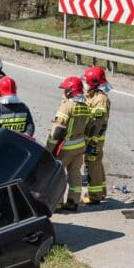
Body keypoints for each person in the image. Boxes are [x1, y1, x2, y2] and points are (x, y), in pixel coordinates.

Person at [47, 76, 91, 212]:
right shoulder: (85, 107)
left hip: (65, 148)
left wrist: (48, 149)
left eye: (65, 89)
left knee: (58, 176)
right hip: (79, 147)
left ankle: (58, 204)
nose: (64, 92)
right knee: (75, 174)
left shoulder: (66, 107)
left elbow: (57, 131)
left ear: (71, 91)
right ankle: (73, 202)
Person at [82, 66, 112, 205]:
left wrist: (91, 141)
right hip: (92, 137)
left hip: (94, 139)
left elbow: (97, 123)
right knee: (96, 162)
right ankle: (101, 192)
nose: (85, 83)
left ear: (94, 83)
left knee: (92, 163)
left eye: (87, 81)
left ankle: (94, 196)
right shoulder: (93, 95)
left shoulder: (100, 100)